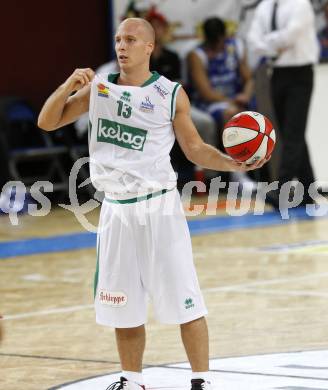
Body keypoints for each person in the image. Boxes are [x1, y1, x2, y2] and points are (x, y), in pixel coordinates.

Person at [38, 18, 267, 390]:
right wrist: (68, 85)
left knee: (185, 299)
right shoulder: (99, 89)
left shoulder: (170, 93)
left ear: (149, 47)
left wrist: (231, 161)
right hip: (115, 209)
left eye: (130, 40)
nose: (121, 46)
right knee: (122, 303)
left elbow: (193, 148)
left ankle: (202, 380)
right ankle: (131, 379)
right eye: (117, 40)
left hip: (159, 207)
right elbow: (47, 122)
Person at [248, 0, 319, 208]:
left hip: (300, 73)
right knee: (289, 132)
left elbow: (290, 36)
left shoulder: (300, 5)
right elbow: (253, 40)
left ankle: (283, 189)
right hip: (276, 73)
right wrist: (272, 45)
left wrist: (266, 43)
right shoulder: (265, 7)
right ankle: (307, 190)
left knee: (293, 132)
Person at [188, 17, 254, 132]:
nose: (216, 46)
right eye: (212, 43)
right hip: (212, 103)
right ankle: (231, 148)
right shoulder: (197, 55)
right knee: (231, 114)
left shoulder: (236, 47)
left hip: (238, 98)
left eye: (218, 41)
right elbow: (206, 93)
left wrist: (246, 96)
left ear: (224, 36)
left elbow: (249, 79)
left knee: (253, 112)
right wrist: (232, 102)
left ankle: (255, 146)